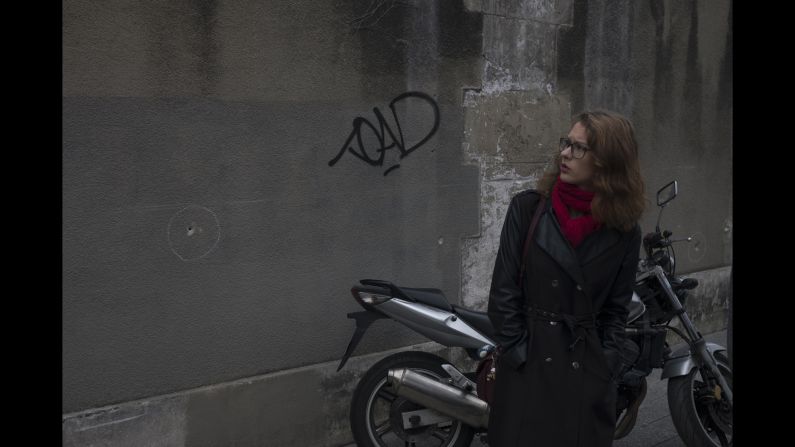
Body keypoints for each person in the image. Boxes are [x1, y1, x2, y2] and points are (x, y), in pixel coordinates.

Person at [486, 110, 646, 446]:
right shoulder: (528, 209)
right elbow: (503, 295)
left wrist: (605, 369)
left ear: (605, 161)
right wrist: (520, 355)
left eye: (578, 148)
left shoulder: (625, 232)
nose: (564, 153)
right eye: (566, 143)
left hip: (584, 374)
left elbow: (616, 312)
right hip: (528, 370)